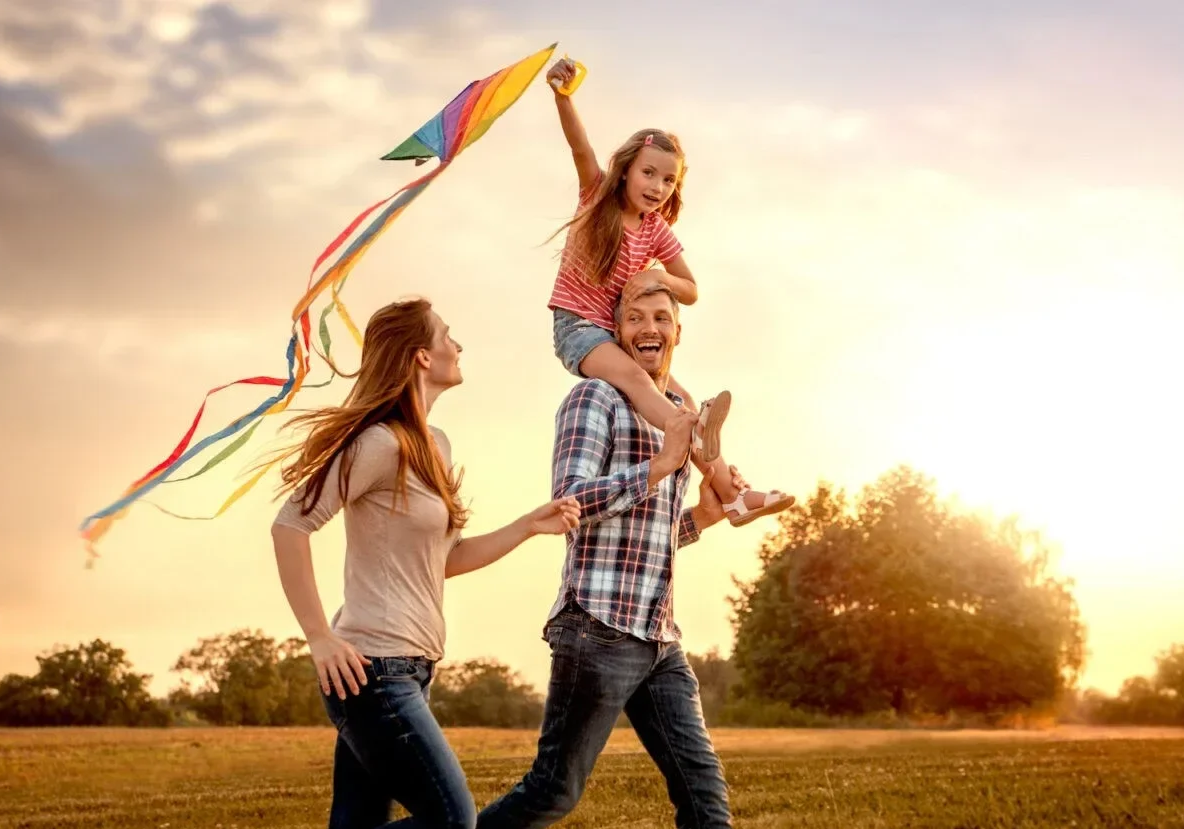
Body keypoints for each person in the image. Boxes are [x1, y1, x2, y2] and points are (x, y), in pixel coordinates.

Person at [270, 298, 582, 828]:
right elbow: (290, 525)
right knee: (453, 819)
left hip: (411, 671)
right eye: (447, 336)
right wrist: (319, 637)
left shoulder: (434, 445)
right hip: (372, 671)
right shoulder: (378, 442)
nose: (458, 347)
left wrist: (529, 525)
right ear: (420, 356)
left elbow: (444, 560)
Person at [476, 283, 737, 828]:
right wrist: (661, 466)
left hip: (659, 637)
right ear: (616, 333)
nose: (649, 328)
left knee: (705, 795)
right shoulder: (594, 398)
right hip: (598, 629)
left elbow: (647, 540)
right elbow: (569, 502)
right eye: (634, 317)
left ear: (677, 332)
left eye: (661, 317)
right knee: (552, 792)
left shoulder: (675, 413)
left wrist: (702, 520)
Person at [539, 55, 793, 530]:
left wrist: (660, 279)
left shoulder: (655, 230)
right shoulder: (598, 199)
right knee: (641, 386)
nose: (657, 186)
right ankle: (689, 433)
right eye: (648, 173)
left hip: (616, 336)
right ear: (626, 170)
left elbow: (691, 288)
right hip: (578, 329)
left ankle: (732, 496)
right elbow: (579, 149)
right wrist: (563, 97)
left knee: (684, 399)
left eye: (668, 179)